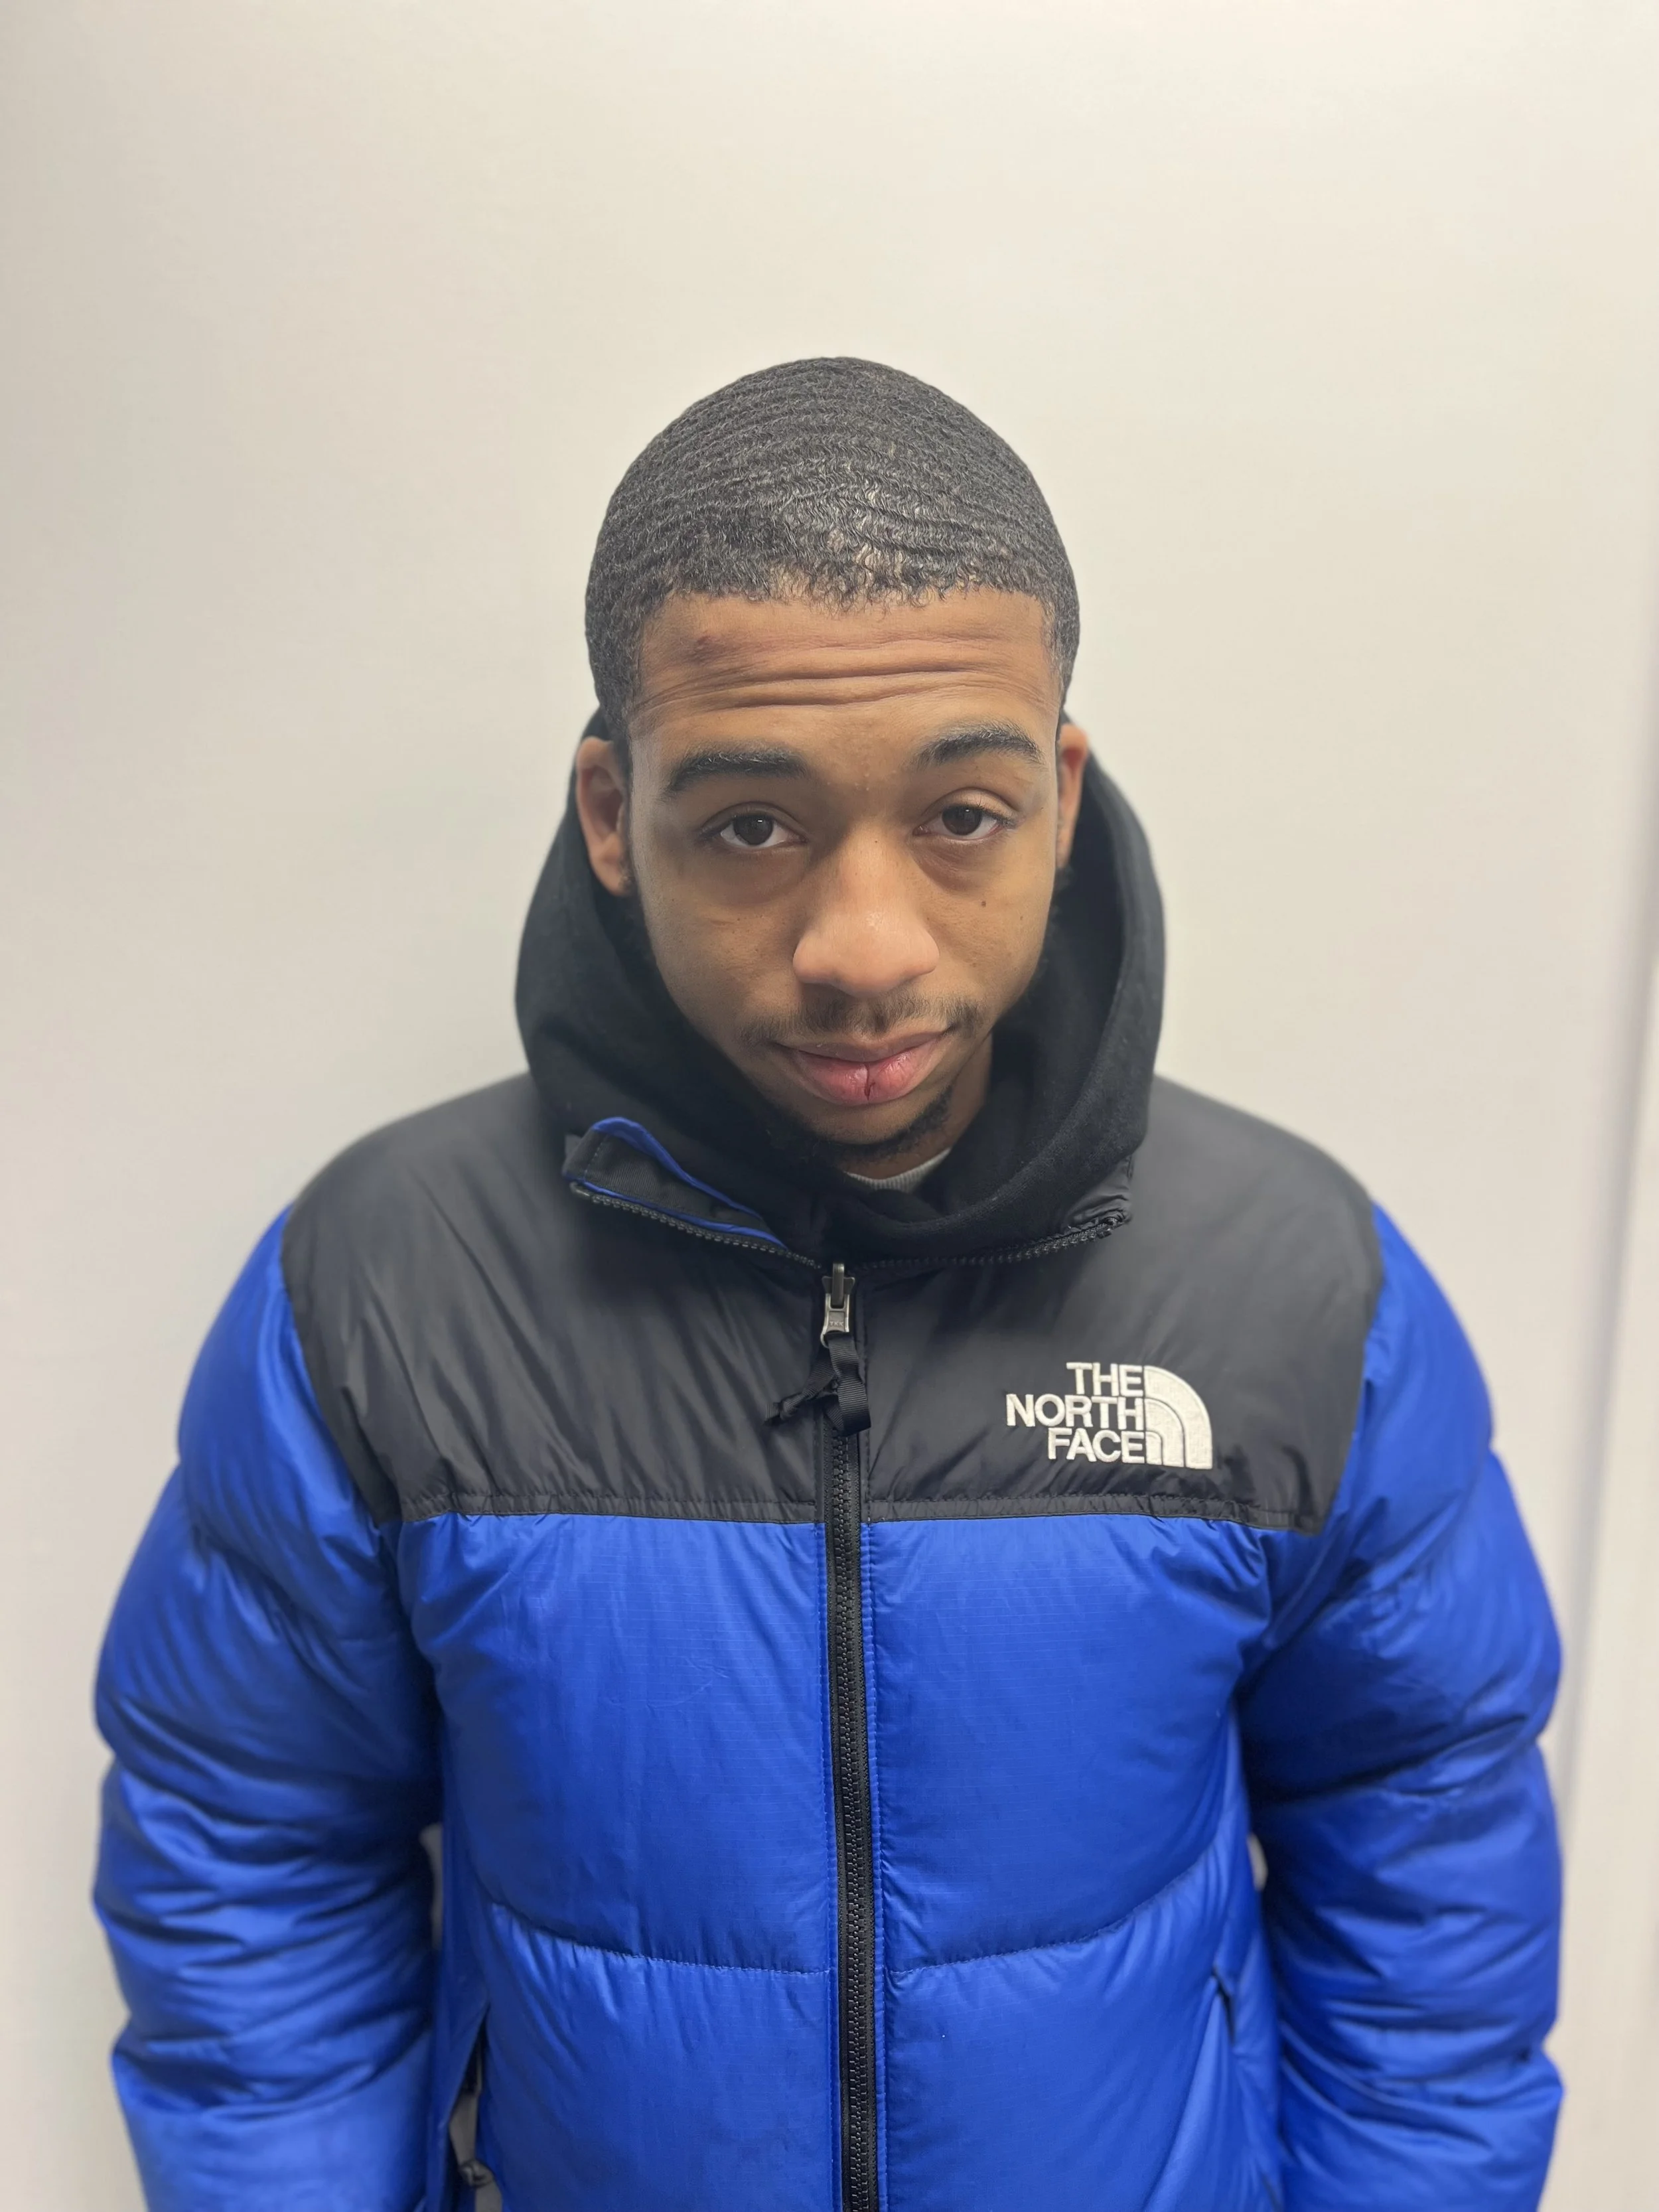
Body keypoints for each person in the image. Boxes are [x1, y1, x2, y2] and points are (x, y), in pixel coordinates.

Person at [95, 358, 1561, 2212]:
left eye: (961, 814)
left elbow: (1425, 1861)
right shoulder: (382, 1283)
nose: (862, 949)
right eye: (751, 825)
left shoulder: (1294, 1285)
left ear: (1057, 795)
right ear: (614, 811)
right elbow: (251, 1850)